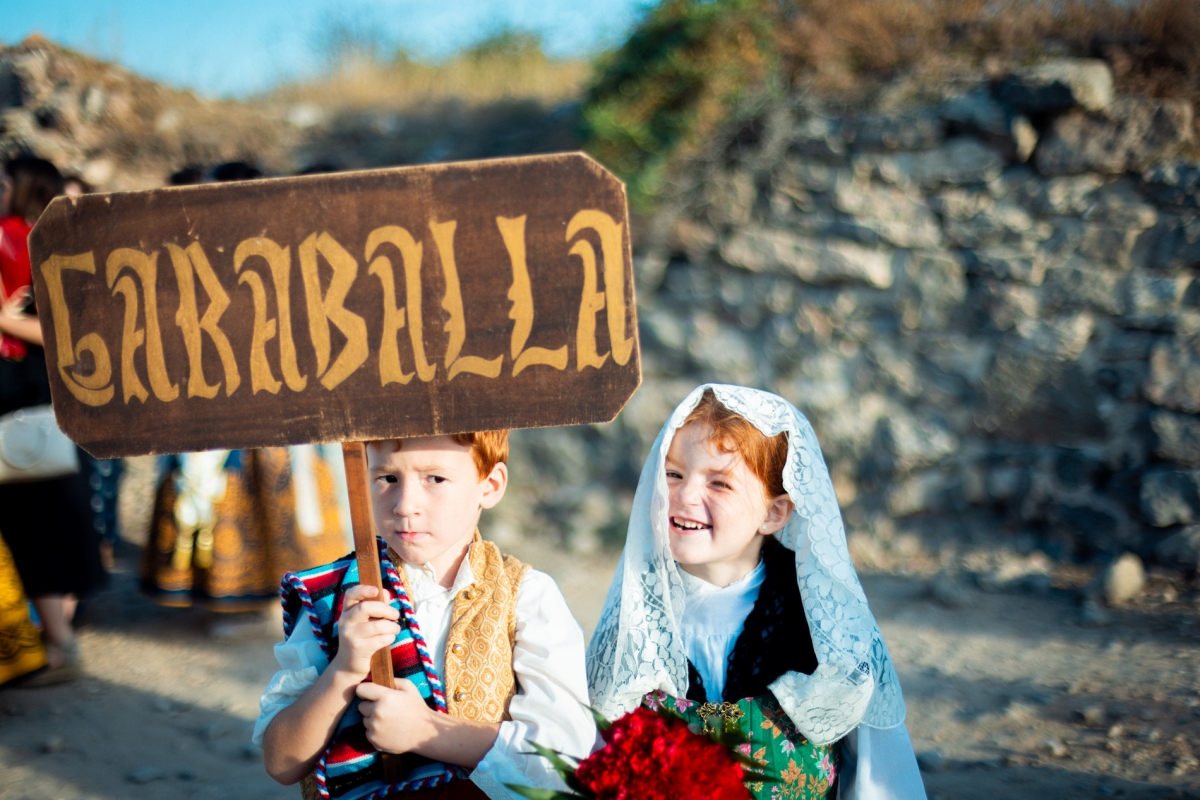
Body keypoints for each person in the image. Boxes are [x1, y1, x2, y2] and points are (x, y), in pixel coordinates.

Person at [587, 385, 925, 800]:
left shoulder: (824, 622)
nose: (685, 495)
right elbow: (593, 751)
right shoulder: (636, 617)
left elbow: (880, 775)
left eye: (719, 483)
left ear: (774, 512)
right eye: (673, 474)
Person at [254, 432, 595, 800]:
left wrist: (425, 730)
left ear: (490, 485)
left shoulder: (527, 596)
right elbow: (281, 763)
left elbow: (563, 758)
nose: (405, 505)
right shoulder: (337, 597)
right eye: (388, 478)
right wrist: (343, 671)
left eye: (435, 478)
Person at [0, 155, 105, 686]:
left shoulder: (12, 241)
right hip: (61, 396)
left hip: (18, 396)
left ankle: (58, 644)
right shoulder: (62, 240)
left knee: (33, 522)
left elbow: (54, 329)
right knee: (59, 515)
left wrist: (5, 320)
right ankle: (60, 635)